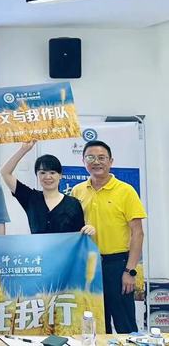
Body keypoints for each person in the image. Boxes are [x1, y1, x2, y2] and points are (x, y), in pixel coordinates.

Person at [71, 140, 146, 334]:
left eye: (101, 158)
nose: (96, 162)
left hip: (118, 265)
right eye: (90, 157)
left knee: (125, 324)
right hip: (88, 265)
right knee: (95, 323)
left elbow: (138, 233)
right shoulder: (77, 191)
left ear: (111, 161)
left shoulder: (126, 191)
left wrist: (130, 271)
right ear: (83, 161)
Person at [0, 140, 93, 235]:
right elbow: (5, 173)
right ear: (37, 175)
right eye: (42, 173)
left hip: (67, 245)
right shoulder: (31, 198)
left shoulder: (73, 203)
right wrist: (23, 150)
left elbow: (80, 234)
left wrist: (88, 229)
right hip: (38, 245)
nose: (48, 177)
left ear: (60, 175)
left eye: (52, 173)